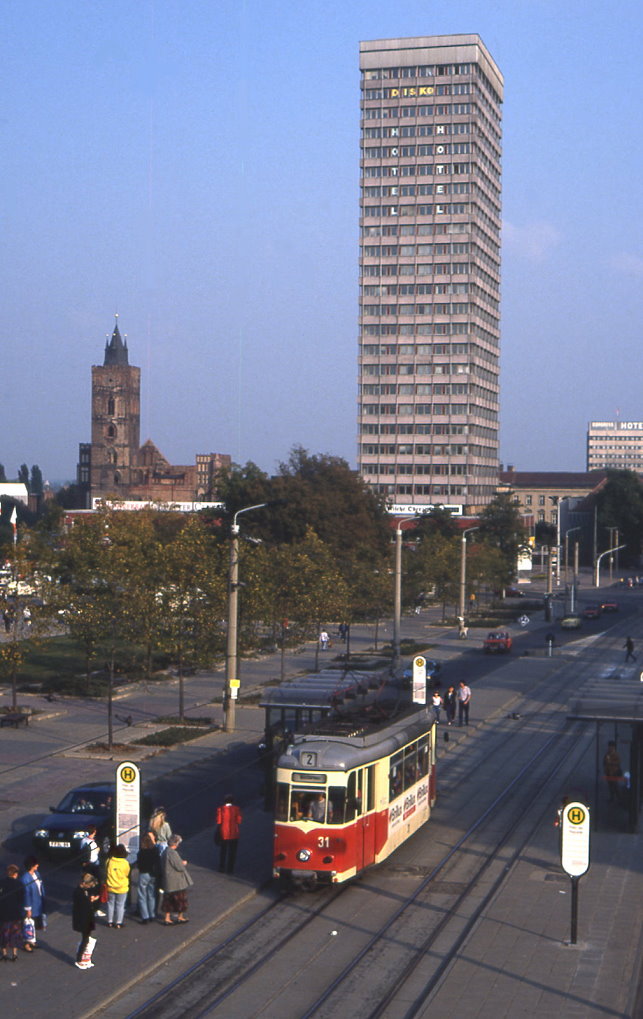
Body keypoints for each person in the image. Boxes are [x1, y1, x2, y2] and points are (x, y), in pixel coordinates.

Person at [161, 834, 192, 924]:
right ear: (176, 843)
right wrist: (183, 863)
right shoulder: (173, 853)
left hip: (168, 880)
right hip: (176, 881)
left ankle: (167, 918)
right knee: (180, 899)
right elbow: (179, 867)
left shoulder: (165, 852)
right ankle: (180, 917)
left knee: (168, 900)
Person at [72, 872, 99, 969]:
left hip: (86, 918)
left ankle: (83, 958)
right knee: (85, 939)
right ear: (84, 883)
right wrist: (91, 901)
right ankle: (79, 959)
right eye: (89, 885)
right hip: (83, 919)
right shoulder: (79, 892)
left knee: (86, 939)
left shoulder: (83, 890)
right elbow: (83, 905)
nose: (90, 887)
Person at [0, 864, 25, 961]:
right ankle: (14, 954)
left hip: (3, 913)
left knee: (4, 933)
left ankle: (4, 953)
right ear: (15, 874)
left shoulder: (1, 883)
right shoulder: (19, 884)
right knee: (15, 933)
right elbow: (22, 899)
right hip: (16, 913)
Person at [20, 856, 46, 949]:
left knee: (33, 923)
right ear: (31, 866)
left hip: (38, 902)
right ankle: (26, 943)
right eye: (36, 864)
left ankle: (32, 940)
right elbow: (26, 894)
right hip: (31, 905)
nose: (38, 865)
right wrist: (28, 909)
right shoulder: (25, 878)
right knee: (27, 924)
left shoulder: (36, 874)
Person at [136, 833, 161, 924]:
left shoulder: (141, 852)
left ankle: (145, 916)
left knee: (142, 895)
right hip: (153, 874)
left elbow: (139, 864)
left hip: (144, 874)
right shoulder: (155, 850)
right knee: (151, 895)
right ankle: (152, 914)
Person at [216, 795, 243, 874]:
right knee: (232, 852)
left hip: (224, 833)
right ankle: (230, 869)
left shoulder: (220, 809)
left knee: (223, 851)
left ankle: (222, 867)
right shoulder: (237, 809)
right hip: (234, 833)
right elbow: (239, 821)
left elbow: (218, 821)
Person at [105, 844, 130, 928]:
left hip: (110, 886)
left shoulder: (109, 861)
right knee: (120, 905)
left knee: (110, 904)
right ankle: (119, 922)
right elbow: (127, 873)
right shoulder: (125, 863)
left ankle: (109, 921)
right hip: (122, 887)